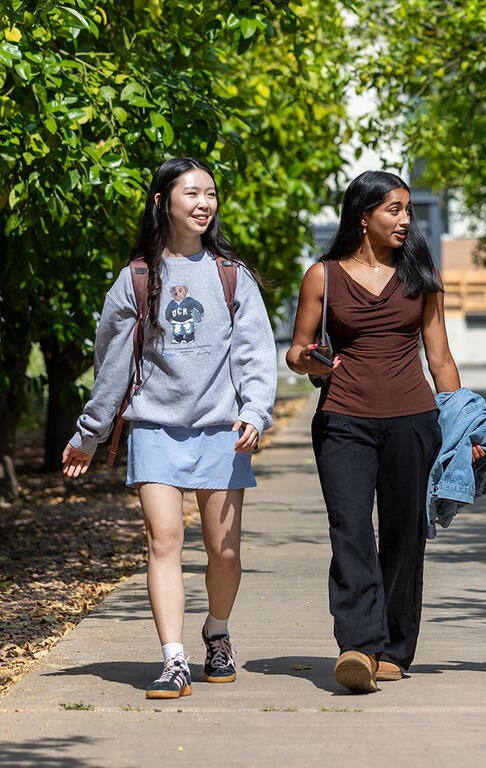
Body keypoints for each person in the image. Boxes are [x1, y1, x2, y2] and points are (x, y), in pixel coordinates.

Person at [62, 157, 277, 699]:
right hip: (155, 426)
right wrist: (90, 433)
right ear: (163, 202)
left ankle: (218, 633)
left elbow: (256, 354)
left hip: (221, 431)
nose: (204, 203)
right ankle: (174, 659)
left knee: (224, 550)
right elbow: (112, 365)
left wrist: (255, 411)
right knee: (164, 540)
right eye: (192, 193)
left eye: (210, 193)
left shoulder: (233, 275)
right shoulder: (136, 279)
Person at [286, 170, 483, 693]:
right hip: (343, 421)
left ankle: (395, 648)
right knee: (349, 530)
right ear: (363, 215)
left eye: (407, 211)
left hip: (412, 421)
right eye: (392, 210)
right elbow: (296, 350)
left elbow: (439, 358)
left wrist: (463, 428)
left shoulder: (420, 274)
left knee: (403, 535)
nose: (404, 220)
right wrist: (310, 362)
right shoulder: (322, 277)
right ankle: (358, 645)